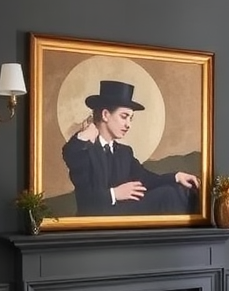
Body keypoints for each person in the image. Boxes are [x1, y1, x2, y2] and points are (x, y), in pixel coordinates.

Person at [62, 80, 201, 216]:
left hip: (125, 220)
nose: (128, 124)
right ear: (105, 115)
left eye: (131, 118)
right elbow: (86, 199)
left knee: (176, 190)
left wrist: (176, 176)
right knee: (169, 194)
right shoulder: (84, 150)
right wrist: (115, 194)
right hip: (95, 224)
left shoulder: (124, 152)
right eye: (124, 117)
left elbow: (146, 179)